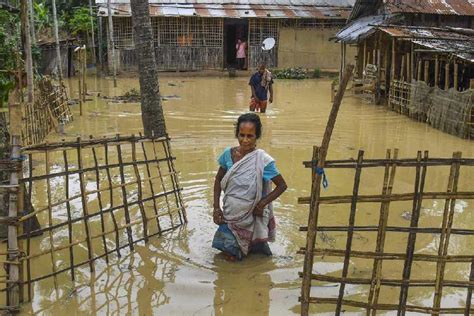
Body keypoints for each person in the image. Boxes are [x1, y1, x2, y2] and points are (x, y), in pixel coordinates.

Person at [212, 113, 287, 261]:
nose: (245, 140)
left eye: (250, 136)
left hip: (252, 216)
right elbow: (218, 179)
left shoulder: (262, 160)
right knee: (229, 255)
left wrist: (262, 204)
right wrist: (216, 207)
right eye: (241, 135)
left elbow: (282, 185)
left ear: (257, 136)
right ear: (237, 134)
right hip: (230, 215)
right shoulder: (228, 155)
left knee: (259, 256)